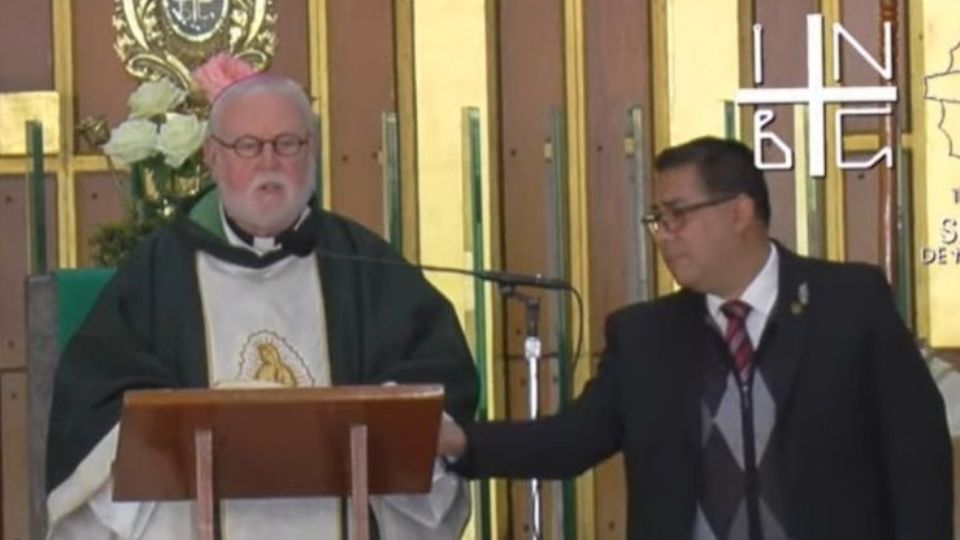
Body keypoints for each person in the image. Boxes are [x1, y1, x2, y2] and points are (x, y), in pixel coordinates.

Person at [440, 136, 952, 539]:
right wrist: (461, 441)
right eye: (657, 220)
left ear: (739, 212)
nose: (663, 234)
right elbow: (572, 440)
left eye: (676, 215)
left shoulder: (849, 302)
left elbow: (917, 456)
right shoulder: (644, 336)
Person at [46, 70, 478, 539]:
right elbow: (96, 404)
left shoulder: (364, 265)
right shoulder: (159, 274)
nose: (268, 162)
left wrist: (378, 425)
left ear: (311, 151)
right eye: (248, 145)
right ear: (213, 156)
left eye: (287, 144)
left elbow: (434, 383)